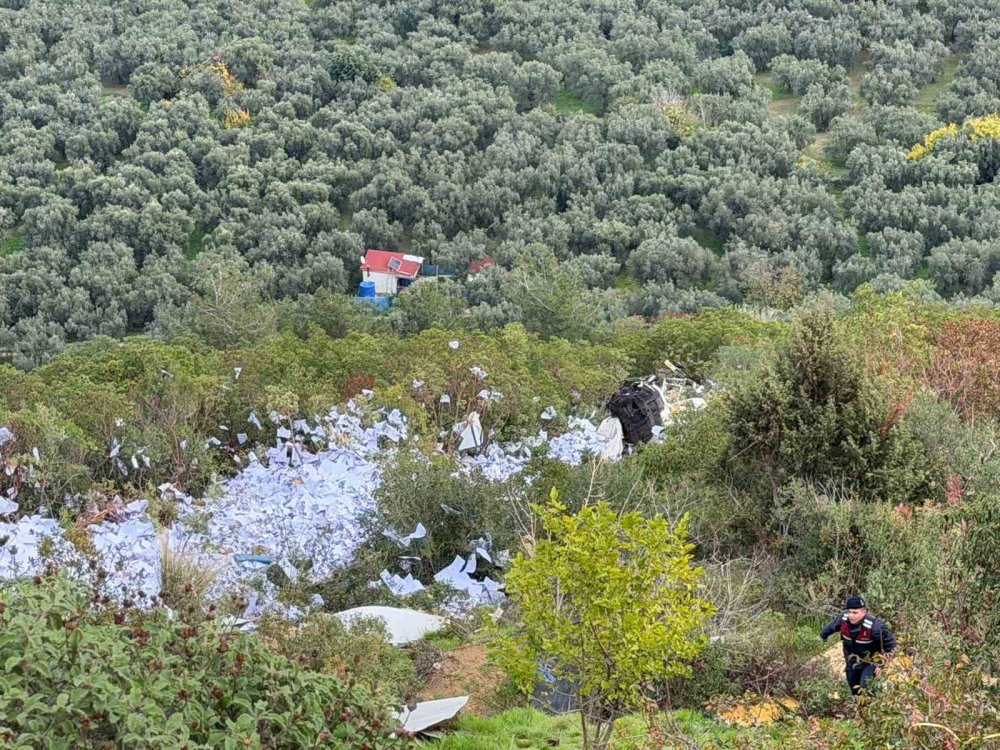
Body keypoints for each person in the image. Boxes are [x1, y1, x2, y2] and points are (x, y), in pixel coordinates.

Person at [821, 595, 896, 697]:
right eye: (849, 612)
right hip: (851, 660)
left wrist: (881, 665)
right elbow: (827, 630)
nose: (851, 615)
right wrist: (824, 636)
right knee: (854, 690)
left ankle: (871, 703)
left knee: (865, 688)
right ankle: (858, 706)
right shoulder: (843, 619)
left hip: (870, 662)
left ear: (864, 612)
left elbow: (890, 646)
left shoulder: (875, 626)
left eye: (855, 613)